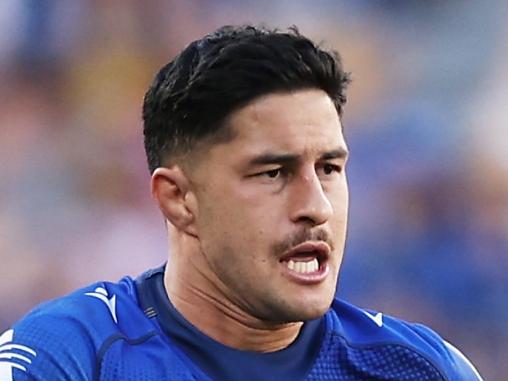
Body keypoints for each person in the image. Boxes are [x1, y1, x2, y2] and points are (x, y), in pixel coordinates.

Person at [1, 25, 482, 381]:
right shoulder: (68, 358)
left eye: (330, 169)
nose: (317, 206)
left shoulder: (417, 367)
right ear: (178, 198)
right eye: (273, 173)